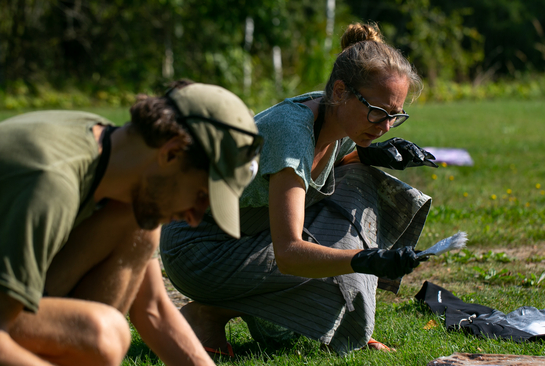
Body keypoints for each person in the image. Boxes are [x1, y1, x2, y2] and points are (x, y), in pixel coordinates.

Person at [160, 23, 436, 356]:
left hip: (242, 234)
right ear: (339, 91)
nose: (386, 126)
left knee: (361, 181)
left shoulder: (340, 118)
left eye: (395, 115)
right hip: (199, 248)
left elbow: (322, 171)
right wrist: (366, 259)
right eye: (378, 112)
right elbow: (290, 253)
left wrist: (369, 154)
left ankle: (307, 319)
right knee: (341, 247)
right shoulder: (292, 133)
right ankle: (208, 314)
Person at [0, 81, 262, 365]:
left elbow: (153, 310)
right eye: (201, 196)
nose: (194, 218)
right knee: (102, 334)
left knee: (140, 228)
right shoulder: (50, 184)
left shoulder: (105, 151)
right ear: (171, 153)